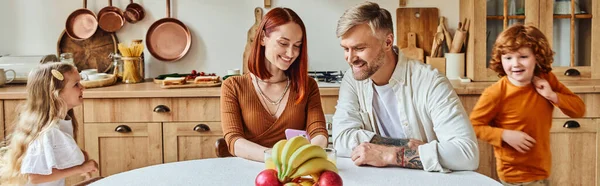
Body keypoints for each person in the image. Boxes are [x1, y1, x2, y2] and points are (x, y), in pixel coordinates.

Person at [332, 1, 479, 172]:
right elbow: (341, 138)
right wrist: (405, 145)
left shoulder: (430, 81)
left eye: (359, 48)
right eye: (345, 49)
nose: (350, 58)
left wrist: (390, 155)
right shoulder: (352, 79)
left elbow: (467, 153)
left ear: (388, 42)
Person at [470, 24, 585, 186]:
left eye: (523, 57)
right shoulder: (496, 93)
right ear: (500, 59)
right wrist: (504, 135)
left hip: (542, 170)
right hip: (514, 176)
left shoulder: (547, 79)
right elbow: (473, 126)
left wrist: (552, 95)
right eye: (508, 58)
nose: (515, 64)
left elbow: (579, 110)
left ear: (537, 57)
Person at [221, 7, 328, 162]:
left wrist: (309, 154)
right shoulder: (233, 86)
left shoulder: (308, 85)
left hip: (295, 170)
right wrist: (277, 158)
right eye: (283, 43)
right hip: (251, 171)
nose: (291, 53)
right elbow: (234, 141)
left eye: (297, 45)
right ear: (263, 38)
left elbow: (318, 131)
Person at [0, 62, 98, 185]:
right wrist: (80, 169)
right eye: (76, 84)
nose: (83, 87)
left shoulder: (61, 124)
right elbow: (35, 177)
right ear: (56, 94)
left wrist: (80, 159)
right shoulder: (48, 132)